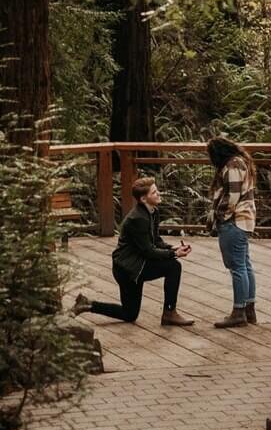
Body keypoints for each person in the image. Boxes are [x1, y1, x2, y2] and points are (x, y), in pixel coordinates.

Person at [73, 176, 195, 326]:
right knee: (173, 266)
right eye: (154, 192)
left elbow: (155, 240)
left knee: (129, 314)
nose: (159, 194)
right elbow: (149, 251)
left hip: (136, 264)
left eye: (157, 190)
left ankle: (87, 304)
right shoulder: (138, 218)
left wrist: (172, 248)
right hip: (127, 269)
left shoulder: (153, 211)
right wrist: (174, 254)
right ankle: (169, 313)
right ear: (143, 199)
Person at [207, 137, 258, 328]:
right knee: (244, 264)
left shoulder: (233, 165)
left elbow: (232, 196)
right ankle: (248, 309)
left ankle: (239, 312)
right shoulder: (240, 162)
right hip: (243, 219)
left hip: (235, 220)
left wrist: (220, 218)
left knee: (237, 267)